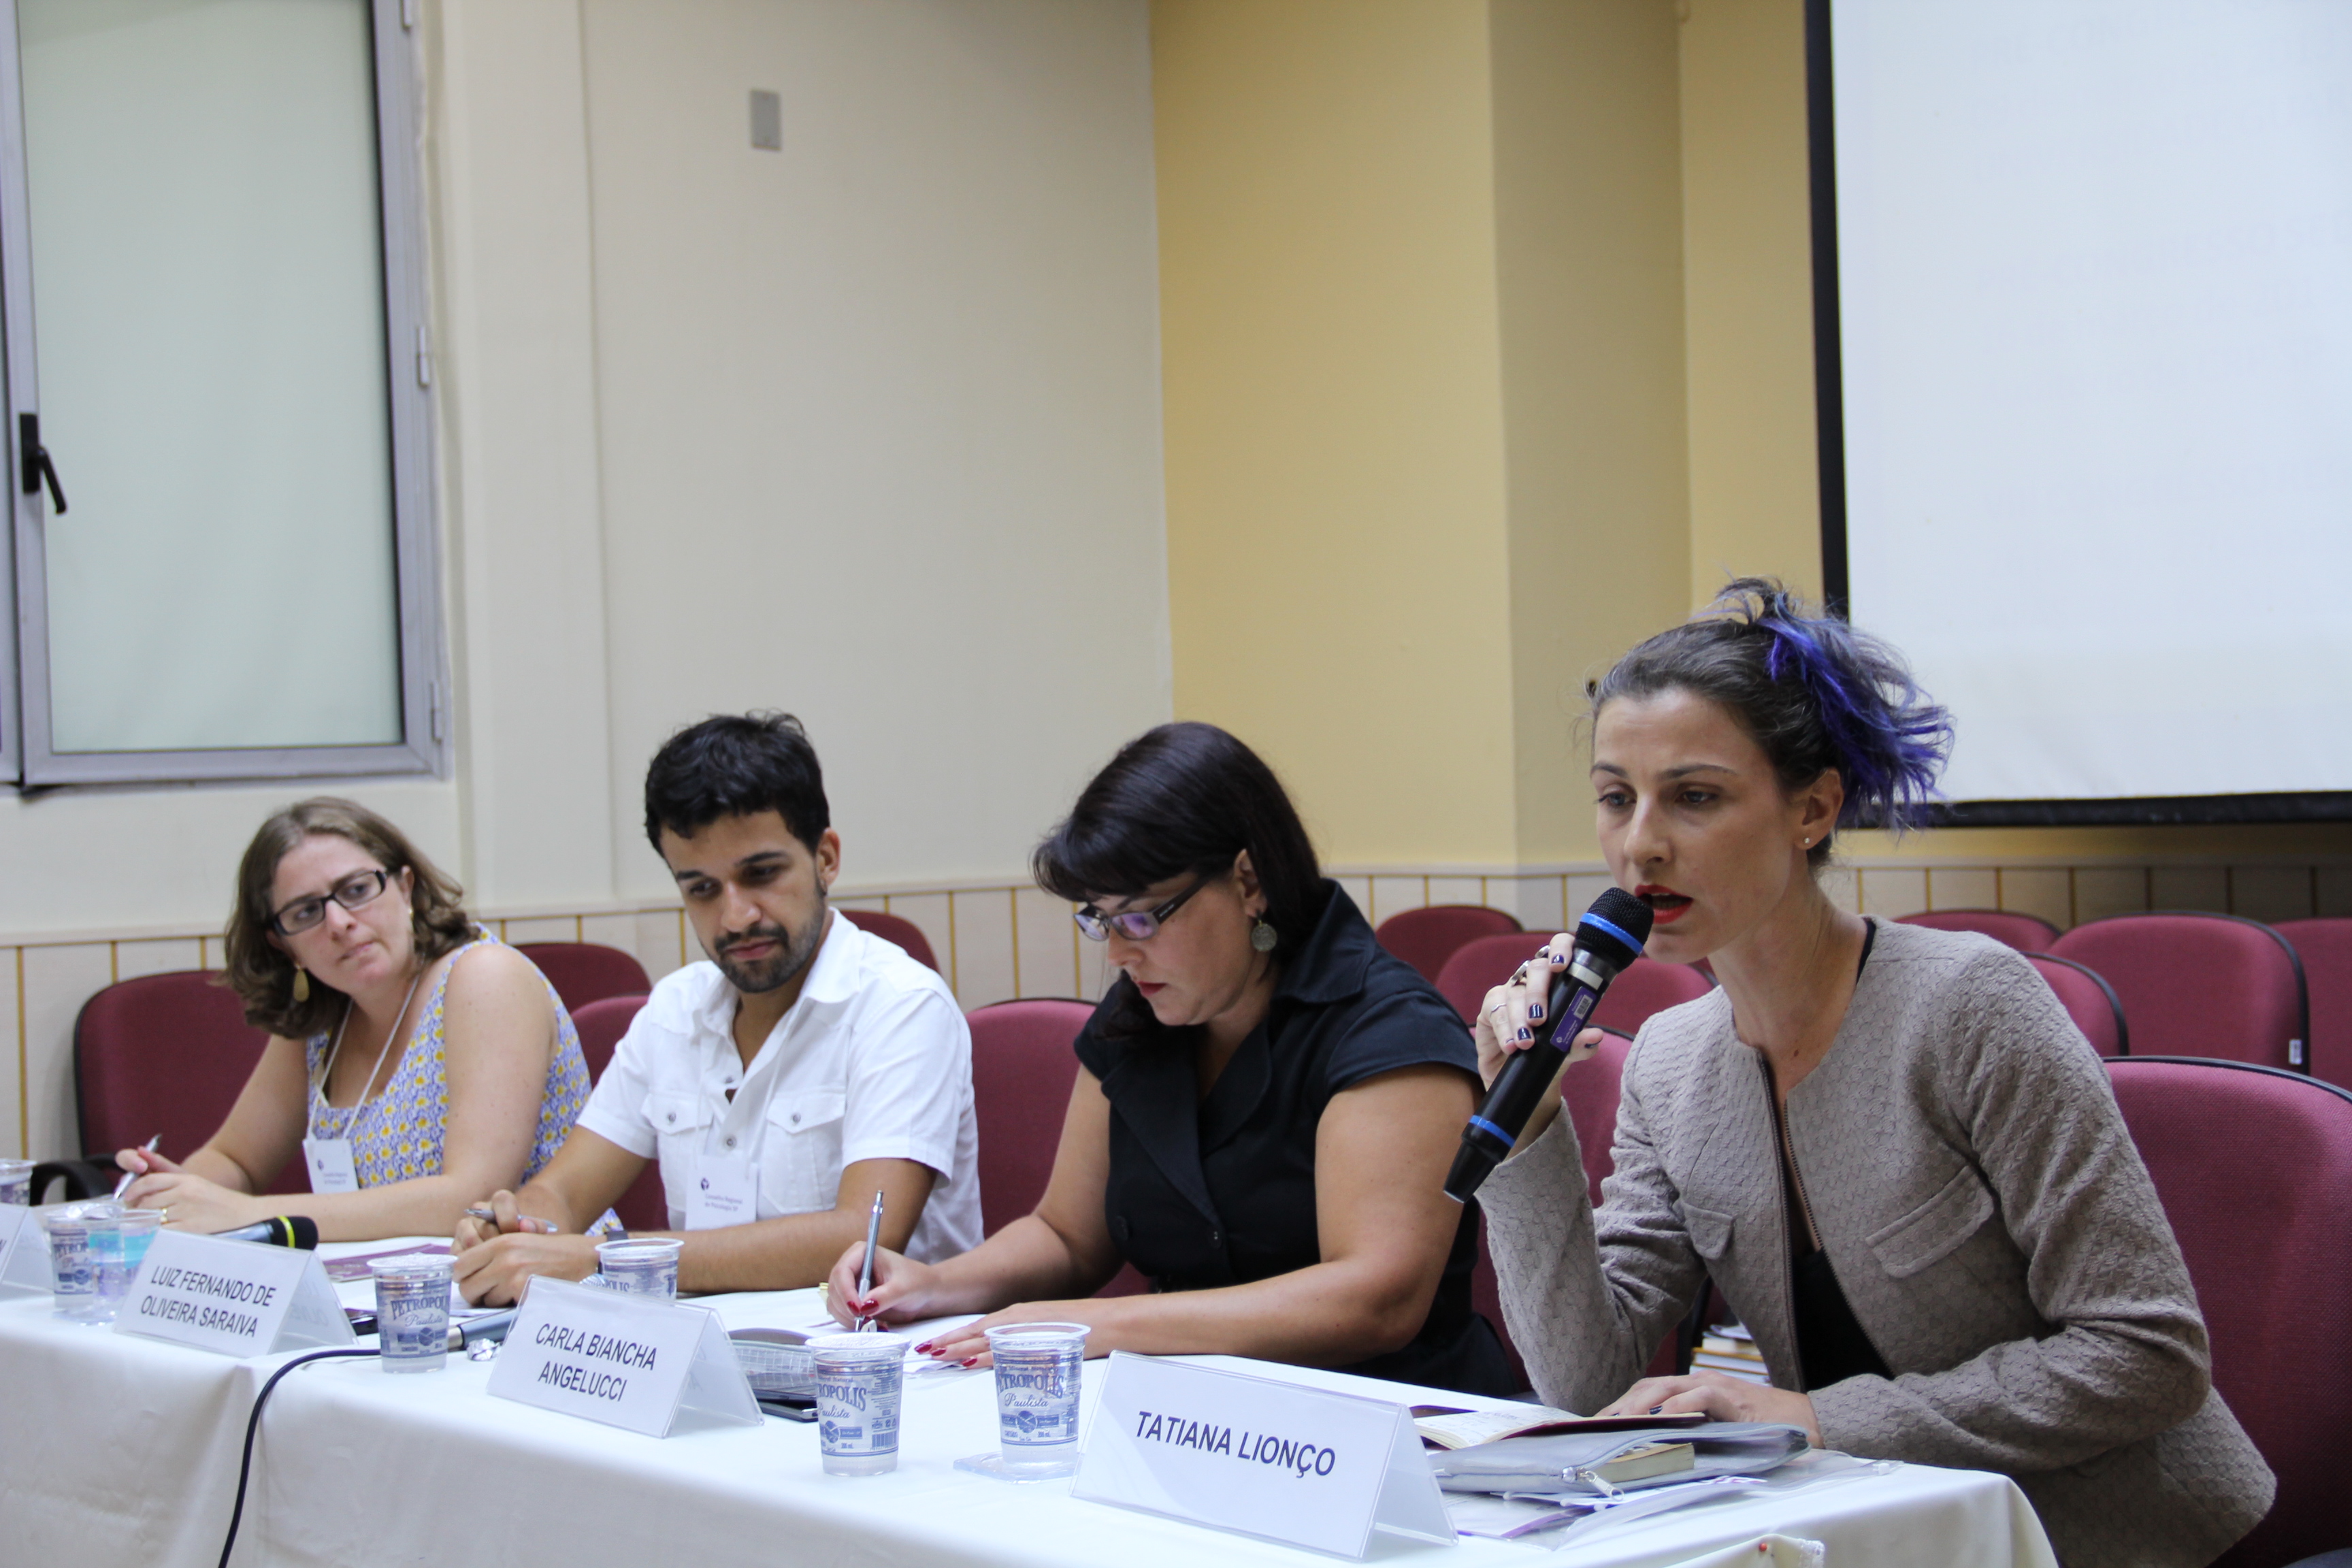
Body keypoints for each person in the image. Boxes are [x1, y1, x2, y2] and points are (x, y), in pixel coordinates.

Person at [1473, 581, 2272, 1568]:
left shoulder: (1969, 1006)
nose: (1641, 844)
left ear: (1812, 808)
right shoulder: (1669, 1066)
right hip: (1881, 1532)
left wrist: (1816, 1419)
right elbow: (1585, 1378)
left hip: (2103, 1540)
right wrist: (1531, 1121)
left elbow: (2148, 1357)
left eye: (1695, 797)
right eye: (1615, 798)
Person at [831, 721, 1518, 1396]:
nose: (1117, 954)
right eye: (1100, 919)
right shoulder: (1142, 1014)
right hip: (1187, 1416)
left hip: (1396, 1422)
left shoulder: (1390, 1031)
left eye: (1141, 918)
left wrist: (1103, 1325)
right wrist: (933, 1283)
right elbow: (1066, 1236)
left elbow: (1374, 1301)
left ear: (1249, 881)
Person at [452, 713, 982, 1305]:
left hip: (873, 1351)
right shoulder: (674, 1010)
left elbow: (862, 1235)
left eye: (761, 874)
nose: (736, 917)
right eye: (702, 889)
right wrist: (519, 1229)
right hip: (697, 1344)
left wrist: (602, 1259)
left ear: (826, 859)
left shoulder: (902, 1004)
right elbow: (564, 1194)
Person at [115, 798, 594, 1242]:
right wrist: (172, 1195)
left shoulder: (486, 977)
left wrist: (245, 1213)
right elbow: (234, 1158)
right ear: (284, 943)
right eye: (306, 911)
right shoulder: (325, 1016)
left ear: (405, 887)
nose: (340, 923)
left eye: (357, 890)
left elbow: (472, 1198)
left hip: (539, 1285)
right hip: (388, 1288)